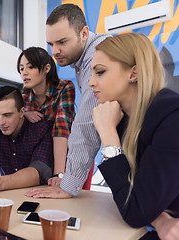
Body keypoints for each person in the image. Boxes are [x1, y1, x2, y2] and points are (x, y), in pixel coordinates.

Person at [90, 33, 179, 239]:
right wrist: (159, 218)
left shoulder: (173, 116)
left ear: (133, 73)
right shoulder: (122, 119)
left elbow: (135, 211)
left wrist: (107, 134)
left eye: (100, 72)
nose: (90, 83)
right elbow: (132, 198)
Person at [26, 3, 110, 198]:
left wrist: (67, 185)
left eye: (62, 42)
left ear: (84, 33)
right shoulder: (81, 61)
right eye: (51, 44)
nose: (55, 51)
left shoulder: (97, 54)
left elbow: (86, 125)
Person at [0, 86, 54, 196]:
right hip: (7, 197)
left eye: (7, 115)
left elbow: (39, 171)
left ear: (22, 112)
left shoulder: (41, 130)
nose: (0, 122)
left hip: (40, 197)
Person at [17, 46, 75, 186]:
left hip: (70, 157)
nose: (24, 73)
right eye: (21, 68)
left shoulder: (64, 88)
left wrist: (59, 174)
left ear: (46, 68)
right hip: (41, 160)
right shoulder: (24, 96)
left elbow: (61, 129)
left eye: (30, 67)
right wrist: (24, 114)